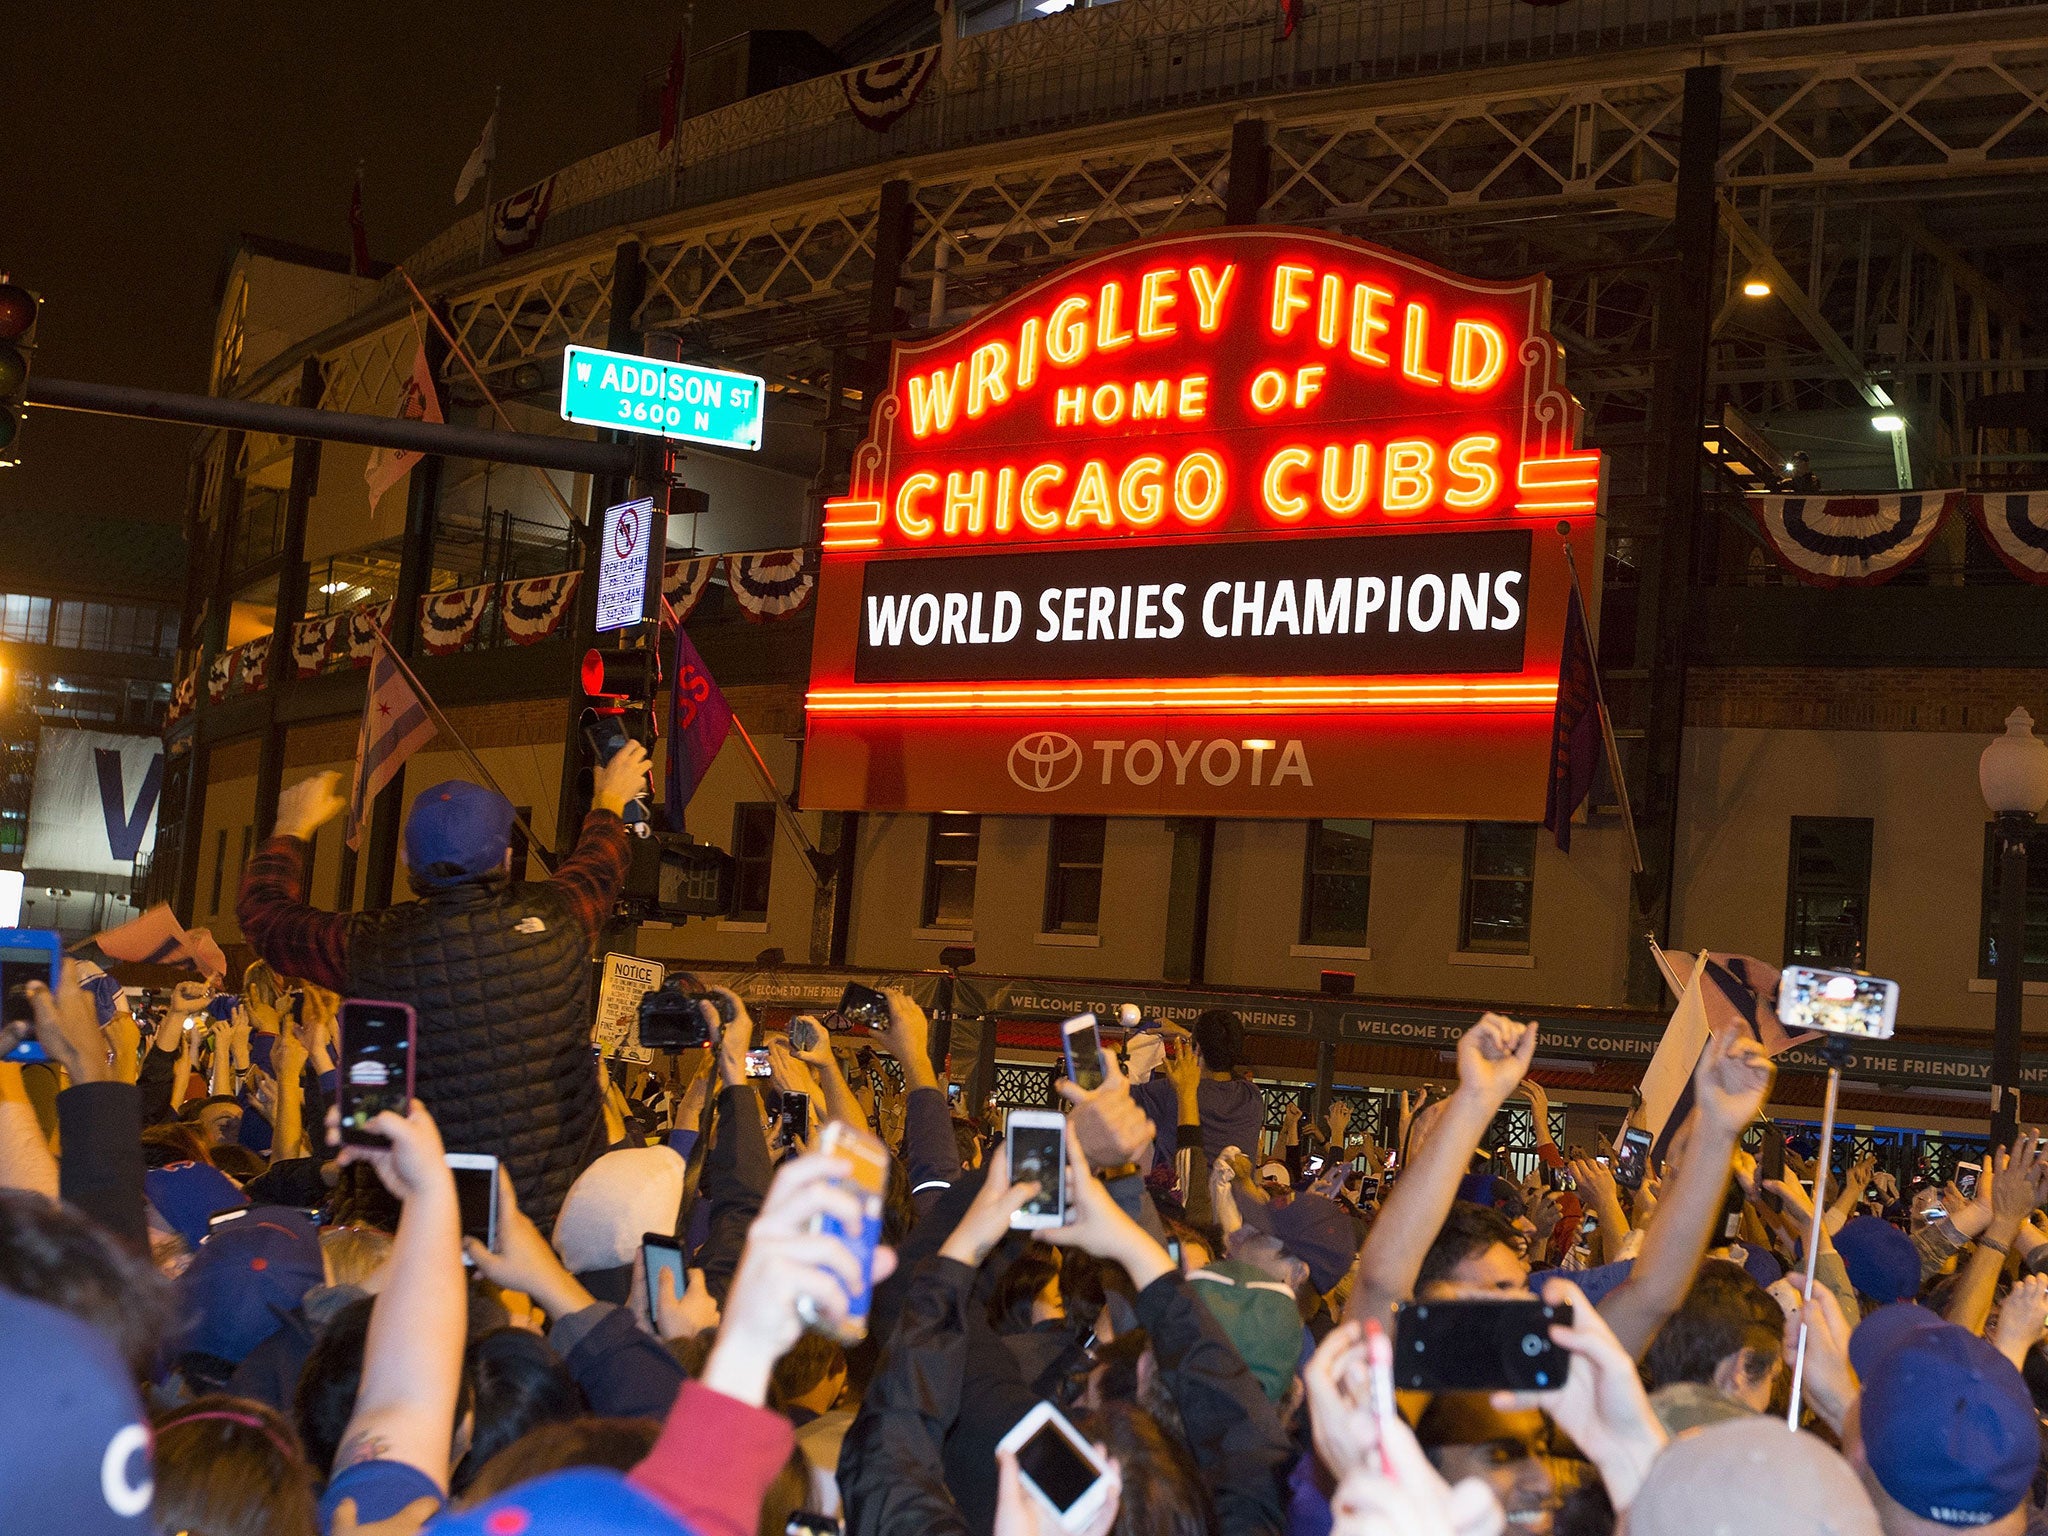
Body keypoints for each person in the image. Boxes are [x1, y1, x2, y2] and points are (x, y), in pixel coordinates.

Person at [236, 748, 650, 1223]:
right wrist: (609, 800)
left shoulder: (368, 943)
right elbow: (600, 862)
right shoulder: (560, 917)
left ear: (406, 858)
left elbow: (265, 917)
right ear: (508, 857)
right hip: (541, 1219)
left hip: (407, 1219)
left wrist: (291, 827)